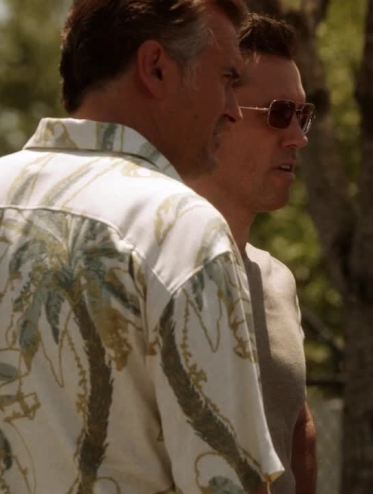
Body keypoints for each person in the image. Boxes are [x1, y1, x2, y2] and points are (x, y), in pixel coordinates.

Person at [0, 1, 282, 492]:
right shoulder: (181, 229)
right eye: (227, 79)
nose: (233, 110)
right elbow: (226, 481)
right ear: (156, 68)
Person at [185, 13, 317, 494]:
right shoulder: (146, 265)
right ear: (216, 110)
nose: (298, 137)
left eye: (303, 115)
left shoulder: (278, 280)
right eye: (279, 113)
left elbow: (298, 431)